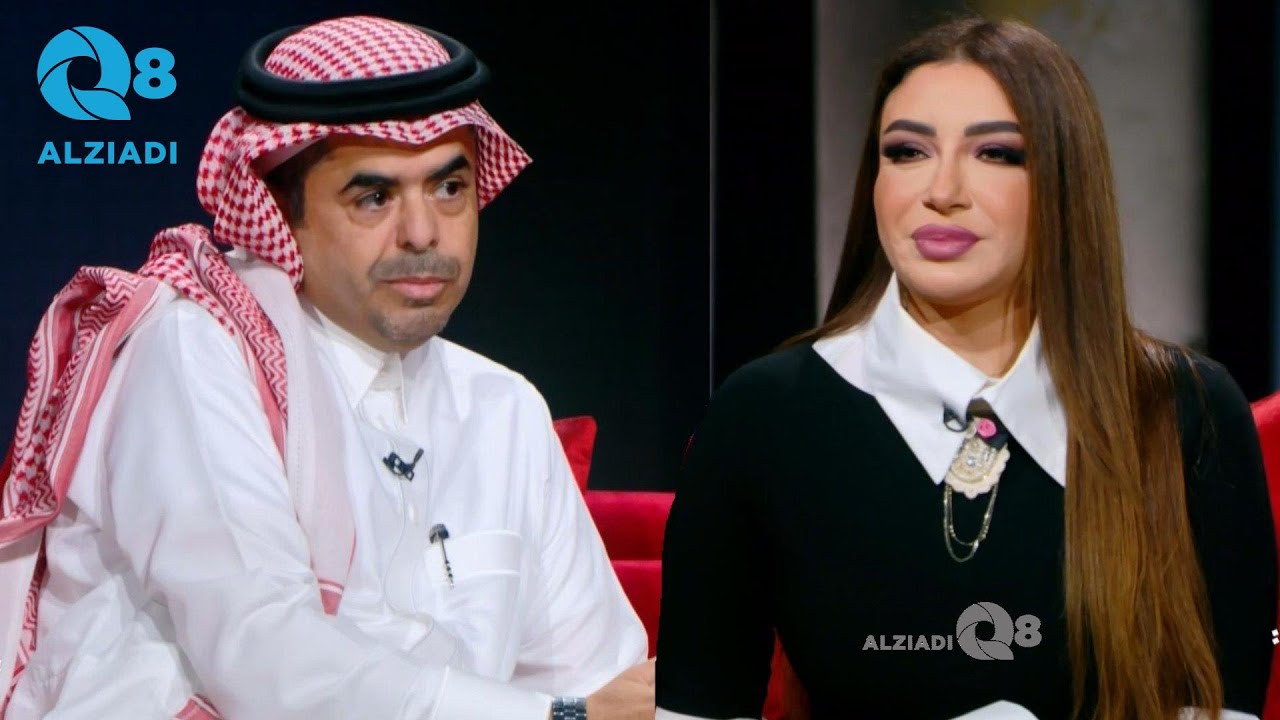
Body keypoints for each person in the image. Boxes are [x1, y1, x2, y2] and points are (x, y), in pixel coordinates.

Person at [0, 16, 651, 720]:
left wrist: (579, 712)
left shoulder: (504, 406)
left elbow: (597, 680)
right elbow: (267, 659)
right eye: (374, 197)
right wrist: (556, 717)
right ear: (281, 212)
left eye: (448, 189)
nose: (423, 233)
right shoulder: (195, 350)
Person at [655, 15, 1277, 720]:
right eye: (907, 151)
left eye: (995, 154)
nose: (942, 189)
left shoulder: (1186, 408)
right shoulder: (763, 417)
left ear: (1064, 182)